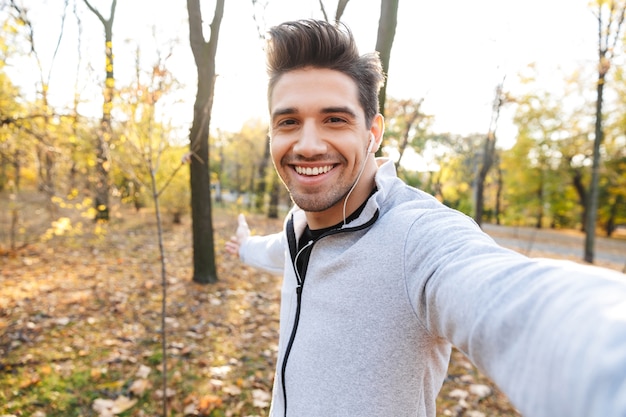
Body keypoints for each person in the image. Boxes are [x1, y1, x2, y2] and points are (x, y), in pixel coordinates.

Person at [225, 19, 626, 417]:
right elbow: (276, 251)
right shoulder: (299, 225)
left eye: (335, 119)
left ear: (373, 132)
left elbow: (511, 297)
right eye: (289, 121)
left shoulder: (417, 237)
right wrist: (243, 247)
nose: (308, 145)